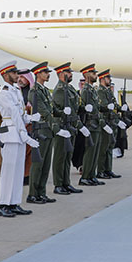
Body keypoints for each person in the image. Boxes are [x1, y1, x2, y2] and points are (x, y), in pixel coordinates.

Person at [0, 61, 38, 217]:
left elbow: (20, 113)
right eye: (14, 73)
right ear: (6, 75)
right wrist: (24, 135)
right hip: (11, 134)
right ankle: (4, 204)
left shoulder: (16, 91)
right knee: (8, 172)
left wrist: (30, 118)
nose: (17, 76)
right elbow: (13, 115)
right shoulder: (4, 92)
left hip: (18, 134)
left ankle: (14, 202)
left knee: (18, 171)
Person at [50, 63, 84, 195]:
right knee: (60, 157)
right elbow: (58, 111)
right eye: (68, 72)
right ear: (61, 74)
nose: (71, 74)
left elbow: (74, 109)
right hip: (62, 127)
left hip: (70, 127)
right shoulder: (59, 90)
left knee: (67, 156)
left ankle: (66, 182)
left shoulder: (69, 88)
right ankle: (58, 184)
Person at [26, 62, 56, 204]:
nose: (47, 74)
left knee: (46, 164)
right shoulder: (34, 91)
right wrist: (56, 126)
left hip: (48, 130)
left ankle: (41, 192)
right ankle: (33, 194)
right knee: (38, 163)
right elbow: (43, 111)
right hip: (42, 130)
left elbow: (51, 109)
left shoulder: (44, 90)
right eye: (45, 72)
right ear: (38, 74)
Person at [96, 68, 127, 180]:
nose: (110, 80)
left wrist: (120, 108)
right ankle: (100, 171)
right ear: (102, 79)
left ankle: (108, 170)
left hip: (112, 122)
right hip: (106, 122)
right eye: (108, 78)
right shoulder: (100, 91)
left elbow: (113, 104)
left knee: (110, 147)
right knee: (103, 148)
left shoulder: (108, 91)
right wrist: (107, 107)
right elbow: (103, 106)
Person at [78, 64, 105, 186]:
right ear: (87, 75)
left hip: (96, 124)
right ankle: (85, 176)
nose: (96, 75)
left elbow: (96, 107)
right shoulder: (86, 91)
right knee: (89, 152)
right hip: (90, 124)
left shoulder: (92, 90)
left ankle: (91, 175)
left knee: (95, 152)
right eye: (93, 73)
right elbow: (83, 108)